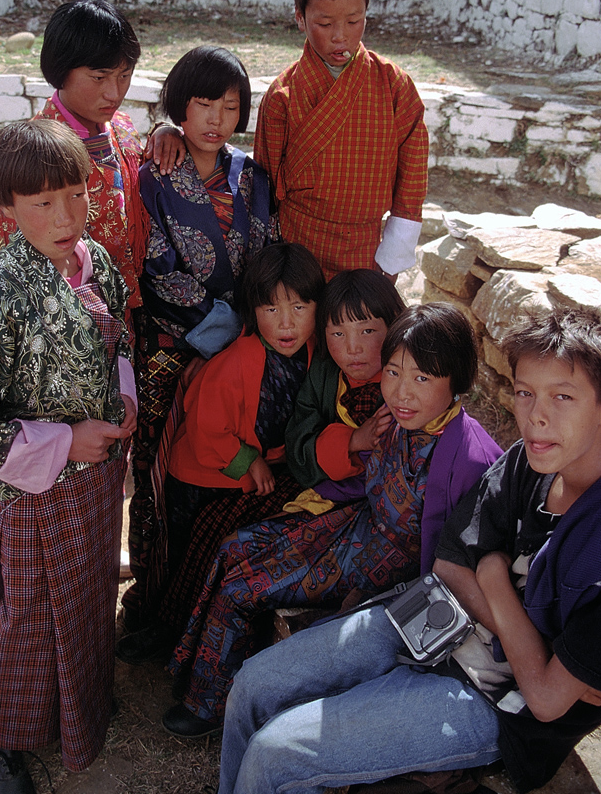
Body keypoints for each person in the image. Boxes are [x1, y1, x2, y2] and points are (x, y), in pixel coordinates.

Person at [201, 307, 601, 794]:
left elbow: (544, 700)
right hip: (430, 616)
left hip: (490, 702)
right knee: (253, 686)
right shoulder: (529, 460)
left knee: (277, 753)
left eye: (563, 396)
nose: (536, 415)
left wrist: (494, 574)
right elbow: (451, 566)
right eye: (525, 392)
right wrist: (528, 641)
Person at [163, 303, 502, 738]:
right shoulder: (398, 420)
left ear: (457, 380)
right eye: (394, 373)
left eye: (422, 378)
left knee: (242, 587)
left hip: (392, 567)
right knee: (235, 546)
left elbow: (463, 559)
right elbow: (366, 478)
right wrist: (314, 499)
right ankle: (202, 673)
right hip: (357, 526)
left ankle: (209, 704)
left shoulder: (472, 459)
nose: (401, 393)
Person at [0, 121, 137, 794]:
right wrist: (63, 443)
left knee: (83, 604)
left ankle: (68, 716)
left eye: (76, 196)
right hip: (27, 494)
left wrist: (125, 399)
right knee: (25, 620)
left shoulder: (97, 262)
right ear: (4, 208)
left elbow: (120, 341)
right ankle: (0, 740)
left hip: (98, 484)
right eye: (43, 202)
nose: (66, 217)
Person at [124, 45, 279, 632]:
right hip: (171, 352)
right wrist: (225, 330)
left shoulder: (254, 180)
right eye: (203, 104)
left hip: (244, 355)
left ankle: (211, 606)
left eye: (231, 106)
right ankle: (153, 599)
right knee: (159, 475)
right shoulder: (153, 178)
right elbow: (157, 267)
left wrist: (249, 333)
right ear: (178, 108)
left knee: (230, 471)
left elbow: (267, 258)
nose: (216, 119)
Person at [117, 243, 325, 665]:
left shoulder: (315, 355)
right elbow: (207, 430)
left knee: (210, 558)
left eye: (299, 308)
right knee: (183, 558)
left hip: (241, 479)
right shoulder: (233, 364)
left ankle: (191, 630)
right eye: (271, 310)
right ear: (252, 311)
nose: (286, 324)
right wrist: (250, 461)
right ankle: (164, 629)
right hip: (198, 478)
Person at [254, 0, 428, 281]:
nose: (340, 36)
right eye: (324, 22)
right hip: (296, 246)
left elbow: (413, 177)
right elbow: (265, 183)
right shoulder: (283, 95)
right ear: (300, 18)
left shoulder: (394, 86)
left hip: (366, 249)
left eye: (353, 21)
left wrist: (391, 259)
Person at [0, 0, 150, 309]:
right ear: (61, 70)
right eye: (99, 77)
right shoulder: (24, 159)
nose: (115, 93)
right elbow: (12, 272)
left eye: (124, 76)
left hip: (129, 318)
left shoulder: (122, 129)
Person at [284, 267, 406, 506]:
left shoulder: (409, 380)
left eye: (367, 331)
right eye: (338, 333)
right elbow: (297, 445)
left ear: (394, 325)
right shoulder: (324, 373)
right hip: (326, 488)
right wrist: (352, 441)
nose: (353, 348)